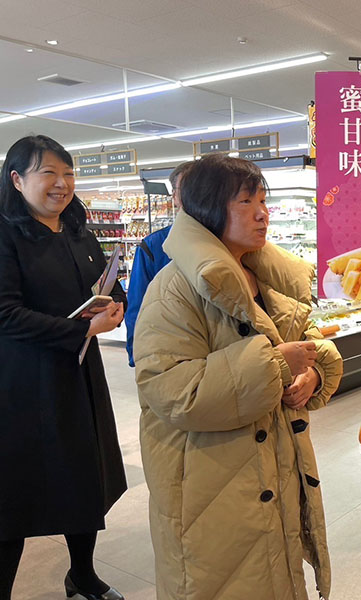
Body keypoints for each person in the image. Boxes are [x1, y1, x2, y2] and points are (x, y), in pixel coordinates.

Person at [134, 153, 343, 600]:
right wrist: (277, 366)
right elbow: (171, 391)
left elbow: (304, 341)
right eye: (246, 202)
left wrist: (316, 372)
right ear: (209, 210)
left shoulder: (262, 277)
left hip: (268, 473)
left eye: (263, 199)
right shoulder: (174, 290)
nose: (262, 212)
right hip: (211, 487)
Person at [0, 135, 127, 600]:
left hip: (80, 378)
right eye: (48, 173)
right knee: (16, 490)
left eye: (69, 173)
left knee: (82, 479)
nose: (62, 184)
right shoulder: (7, 235)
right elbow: (5, 313)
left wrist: (115, 306)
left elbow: (107, 288)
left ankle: (82, 575)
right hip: (24, 385)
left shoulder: (78, 232)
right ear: (17, 180)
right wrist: (80, 332)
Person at [124, 160, 193, 366]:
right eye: (187, 188)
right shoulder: (152, 247)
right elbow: (137, 306)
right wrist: (137, 355)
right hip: (168, 355)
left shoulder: (232, 241)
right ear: (175, 197)